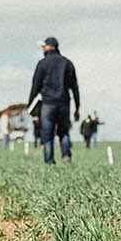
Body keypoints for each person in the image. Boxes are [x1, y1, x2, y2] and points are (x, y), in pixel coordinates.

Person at [29, 36, 80, 164]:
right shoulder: (67, 63)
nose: (42, 48)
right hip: (64, 104)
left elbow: (35, 85)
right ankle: (66, 155)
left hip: (48, 104)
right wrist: (77, 106)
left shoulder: (42, 64)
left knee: (47, 136)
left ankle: (49, 161)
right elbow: (74, 87)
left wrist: (30, 104)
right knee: (64, 132)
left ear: (50, 46)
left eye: (44, 46)